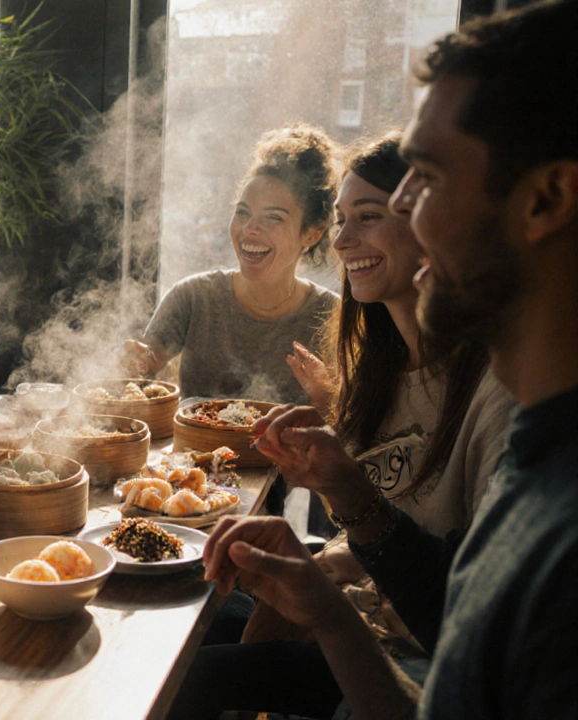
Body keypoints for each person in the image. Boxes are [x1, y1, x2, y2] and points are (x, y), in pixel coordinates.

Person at [203, 2, 578, 718]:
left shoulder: (559, 532)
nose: (401, 213)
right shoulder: (539, 459)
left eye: (427, 178)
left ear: (549, 198)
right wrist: (326, 604)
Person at [167, 136, 516, 719]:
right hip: (346, 604)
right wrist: (328, 473)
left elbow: (467, 619)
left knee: (187, 679)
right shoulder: (381, 370)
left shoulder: (494, 393)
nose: (344, 240)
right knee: (177, 608)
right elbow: (354, 527)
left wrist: (344, 500)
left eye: (369, 218)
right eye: (340, 221)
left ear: (433, 225)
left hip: (396, 653)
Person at [122, 124, 341, 404]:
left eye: (273, 217)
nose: (249, 229)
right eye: (242, 212)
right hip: (194, 449)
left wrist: (327, 398)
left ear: (312, 233)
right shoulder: (193, 297)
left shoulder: (331, 317)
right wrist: (134, 362)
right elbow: (140, 375)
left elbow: (350, 428)